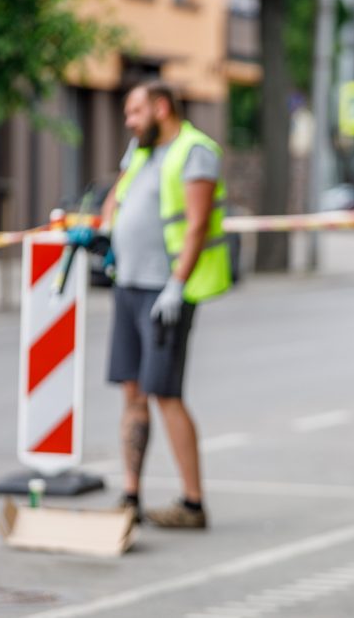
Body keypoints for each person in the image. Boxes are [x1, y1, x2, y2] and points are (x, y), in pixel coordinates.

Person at [70, 81, 231, 528]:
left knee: (165, 393)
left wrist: (177, 285)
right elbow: (116, 198)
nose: (129, 120)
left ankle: (193, 504)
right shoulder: (139, 150)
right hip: (130, 285)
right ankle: (130, 496)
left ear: (161, 108)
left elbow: (197, 224)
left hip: (165, 292)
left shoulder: (195, 151)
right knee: (132, 392)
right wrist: (100, 231)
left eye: (135, 111)